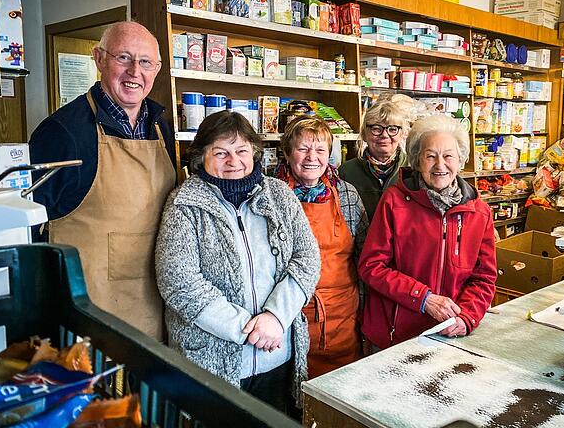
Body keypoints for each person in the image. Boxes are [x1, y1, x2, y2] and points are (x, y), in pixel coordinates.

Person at [155, 111, 321, 413]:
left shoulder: (279, 195)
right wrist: (249, 329)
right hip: (212, 362)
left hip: (278, 356)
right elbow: (178, 282)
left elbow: (307, 258)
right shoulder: (184, 203)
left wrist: (275, 317)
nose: (234, 161)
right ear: (201, 156)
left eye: (241, 150)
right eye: (221, 152)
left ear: (254, 153)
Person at [28, 22, 175, 341]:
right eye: (123, 57)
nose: (135, 71)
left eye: (146, 62)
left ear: (158, 68)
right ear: (99, 58)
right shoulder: (62, 133)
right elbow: (31, 230)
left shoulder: (162, 127)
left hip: (154, 312)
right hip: (90, 320)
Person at [358, 114, 496, 351]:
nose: (440, 165)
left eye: (448, 155)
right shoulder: (394, 201)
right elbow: (371, 266)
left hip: (448, 336)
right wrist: (423, 298)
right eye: (430, 156)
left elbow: (484, 278)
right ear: (417, 161)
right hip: (394, 336)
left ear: (461, 160)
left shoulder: (479, 213)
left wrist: (467, 318)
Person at [275, 116, 368, 379]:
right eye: (303, 149)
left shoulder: (347, 194)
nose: (311, 157)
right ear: (287, 153)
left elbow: (364, 254)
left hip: (344, 314)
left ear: (330, 154)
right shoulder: (271, 195)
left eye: (320, 150)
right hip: (291, 314)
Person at [338, 101, 409, 218]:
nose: (385, 135)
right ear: (364, 134)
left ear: (402, 134)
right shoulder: (346, 172)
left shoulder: (414, 169)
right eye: (376, 128)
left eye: (392, 129)